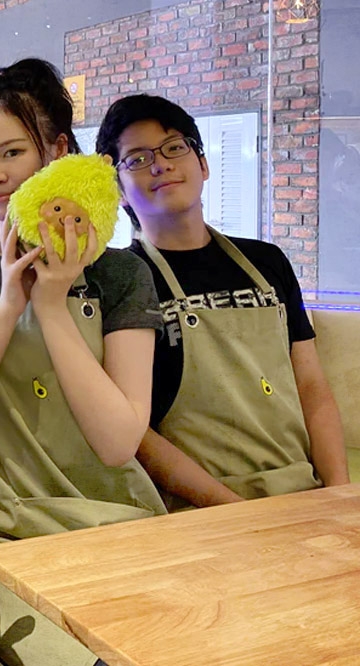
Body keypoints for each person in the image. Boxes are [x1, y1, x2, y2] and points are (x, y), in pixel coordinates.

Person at [0, 58, 166, 666]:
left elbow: (117, 441)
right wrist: (6, 309)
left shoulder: (122, 273)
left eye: (11, 153)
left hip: (118, 523)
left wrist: (52, 304)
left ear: (56, 154)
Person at [95, 94, 349, 509]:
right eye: (137, 159)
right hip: (195, 508)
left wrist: (338, 492)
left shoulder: (267, 261)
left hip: (303, 490)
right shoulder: (120, 278)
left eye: (175, 147)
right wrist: (230, 509)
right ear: (118, 190)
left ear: (204, 164)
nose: (161, 164)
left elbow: (311, 385)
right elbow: (133, 432)